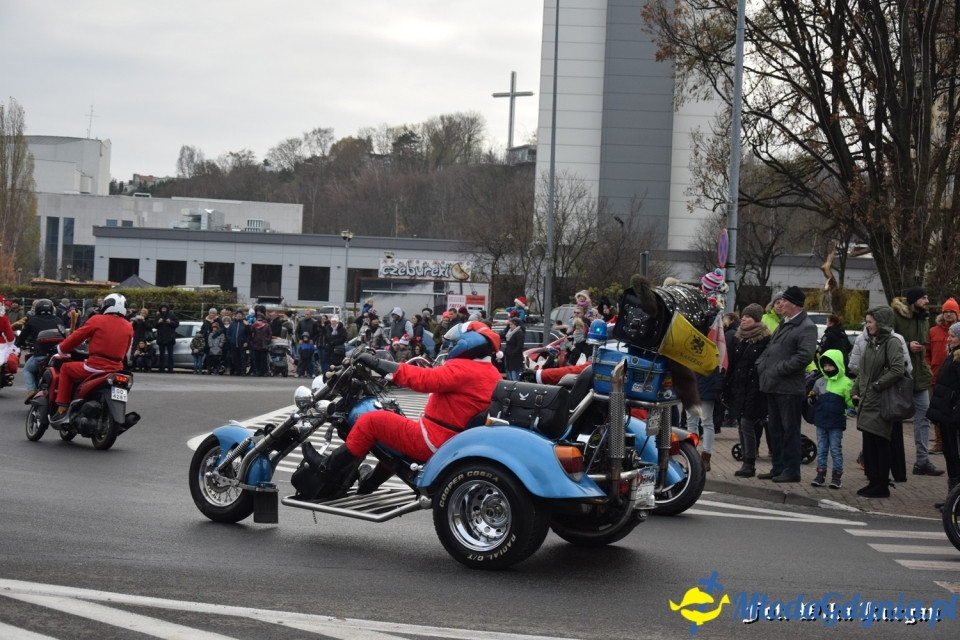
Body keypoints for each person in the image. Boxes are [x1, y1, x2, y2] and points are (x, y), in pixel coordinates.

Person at [298, 321, 503, 498]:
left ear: (468, 343)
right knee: (392, 436)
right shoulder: (491, 372)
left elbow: (423, 380)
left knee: (371, 421)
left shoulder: (464, 368)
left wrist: (377, 363)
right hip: (451, 439)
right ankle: (369, 484)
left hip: (434, 440)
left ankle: (326, 467)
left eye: (455, 342)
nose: (450, 346)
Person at [755, 286, 818, 483]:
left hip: (789, 388)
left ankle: (792, 471)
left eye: (784, 301)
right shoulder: (785, 323)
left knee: (790, 430)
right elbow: (771, 347)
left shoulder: (806, 326)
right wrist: (762, 365)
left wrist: (779, 369)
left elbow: (804, 356)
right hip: (773, 385)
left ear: (794, 304)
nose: (780, 304)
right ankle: (778, 467)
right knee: (775, 429)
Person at [51, 294, 134, 424]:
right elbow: (126, 350)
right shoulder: (128, 326)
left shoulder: (97, 319)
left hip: (96, 365)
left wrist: (61, 348)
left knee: (66, 368)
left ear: (106, 305)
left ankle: (62, 408)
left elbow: (77, 336)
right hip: (116, 368)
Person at [852, 306, 906, 497]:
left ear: (881, 322)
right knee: (869, 442)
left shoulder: (892, 343)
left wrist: (877, 385)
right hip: (867, 400)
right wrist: (855, 389)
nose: (867, 326)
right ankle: (873, 480)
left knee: (881, 441)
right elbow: (863, 370)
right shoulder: (871, 342)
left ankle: (882, 484)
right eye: (866, 322)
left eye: (870, 322)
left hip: (881, 401)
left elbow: (898, 369)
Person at [892, 286, 944, 476]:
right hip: (899, 376)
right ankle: (869, 455)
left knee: (923, 418)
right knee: (891, 418)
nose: (927, 301)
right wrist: (906, 345)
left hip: (920, 376)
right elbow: (887, 341)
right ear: (914, 300)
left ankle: (922, 461)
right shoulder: (896, 316)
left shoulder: (924, 318)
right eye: (923, 298)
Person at [724, 303, 771, 477]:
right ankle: (746, 459)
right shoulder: (737, 338)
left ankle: (749, 462)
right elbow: (732, 363)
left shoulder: (765, 339)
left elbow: (764, 364)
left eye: (748, 317)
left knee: (747, 423)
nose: (743, 319)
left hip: (755, 389)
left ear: (756, 320)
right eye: (743, 316)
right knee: (741, 424)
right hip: (738, 387)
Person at [925, 321, 960, 510]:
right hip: (946, 414)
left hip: (953, 416)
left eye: (953, 336)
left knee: (956, 456)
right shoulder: (952, 355)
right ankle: (953, 497)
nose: (949, 339)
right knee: (949, 455)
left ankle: (956, 500)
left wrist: (956, 413)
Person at [808, 349, 854, 489]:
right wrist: (812, 399)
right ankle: (820, 475)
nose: (827, 368)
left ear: (838, 365)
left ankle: (836, 476)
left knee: (835, 449)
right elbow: (812, 399)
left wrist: (854, 403)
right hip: (821, 421)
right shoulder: (820, 382)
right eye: (825, 366)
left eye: (831, 365)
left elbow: (850, 402)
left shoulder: (846, 383)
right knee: (822, 448)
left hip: (836, 422)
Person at [14, 298, 64, 403]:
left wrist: (18, 343)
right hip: (57, 355)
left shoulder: (32, 320)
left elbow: (22, 336)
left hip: (40, 354)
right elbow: (64, 335)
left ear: (37, 309)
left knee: (27, 369)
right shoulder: (58, 320)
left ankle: (31, 390)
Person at [927, 297, 959, 455]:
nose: (948, 314)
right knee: (937, 412)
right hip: (935, 378)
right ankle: (939, 442)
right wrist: (929, 366)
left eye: (951, 311)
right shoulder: (933, 331)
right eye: (945, 311)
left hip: (954, 380)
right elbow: (927, 353)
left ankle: (952, 442)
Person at [154, 303, 179, 373]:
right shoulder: (158, 316)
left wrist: (170, 322)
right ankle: (161, 368)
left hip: (170, 338)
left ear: (167, 308)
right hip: (161, 338)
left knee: (170, 355)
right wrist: (158, 322)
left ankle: (170, 368)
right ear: (160, 309)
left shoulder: (172, 315)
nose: (164, 309)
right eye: (162, 308)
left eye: (165, 308)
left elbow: (177, 324)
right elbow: (154, 325)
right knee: (161, 354)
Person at [501, 316, 525, 381]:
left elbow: (519, 346)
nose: (510, 326)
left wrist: (512, 353)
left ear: (516, 325)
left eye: (511, 324)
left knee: (515, 377)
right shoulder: (510, 332)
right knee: (509, 375)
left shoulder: (519, 333)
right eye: (510, 324)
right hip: (509, 357)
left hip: (515, 358)